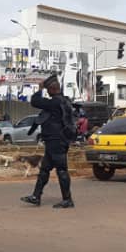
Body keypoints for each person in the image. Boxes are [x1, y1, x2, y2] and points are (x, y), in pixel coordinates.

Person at [21, 75, 75, 209]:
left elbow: (35, 101)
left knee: (62, 170)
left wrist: (39, 89)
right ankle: (36, 196)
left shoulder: (55, 102)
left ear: (51, 89)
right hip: (54, 142)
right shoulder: (64, 101)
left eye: (47, 89)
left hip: (57, 141)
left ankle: (67, 200)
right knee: (44, 170)